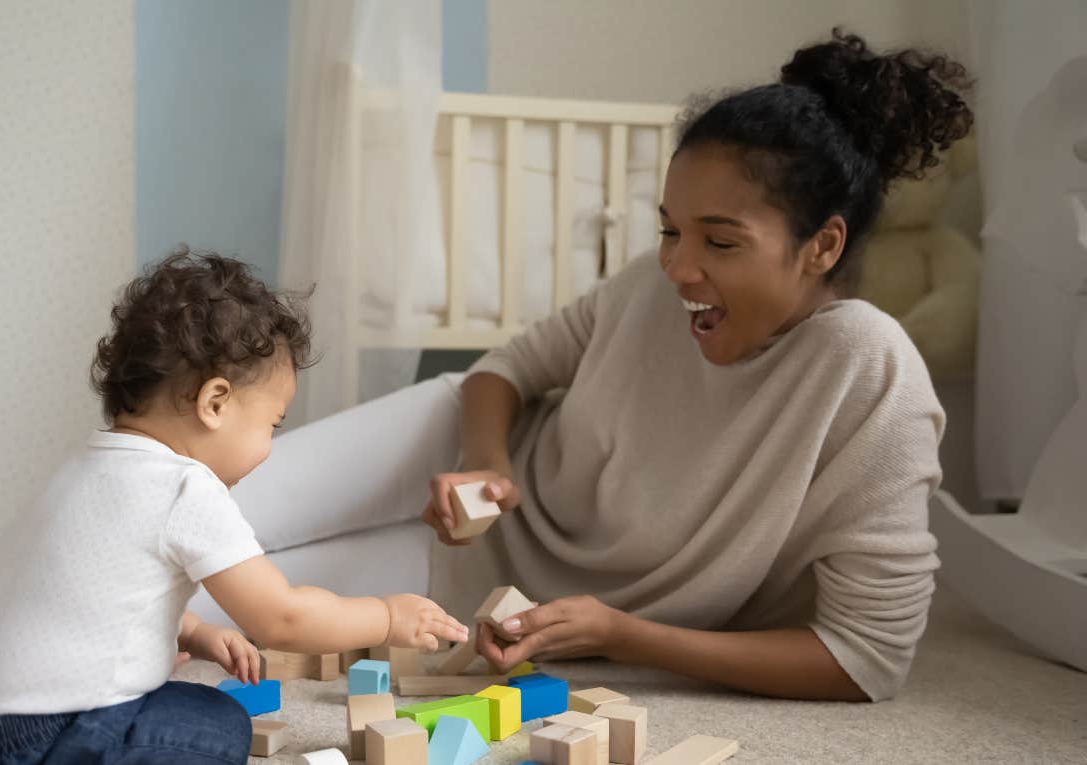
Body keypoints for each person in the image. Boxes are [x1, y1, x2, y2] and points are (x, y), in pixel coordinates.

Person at [234, 29, 973, 704]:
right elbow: (508, 367)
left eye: (719, 242)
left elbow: (865, 656)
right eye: (670, 229)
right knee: (208, 509)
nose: (678, 267)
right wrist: (484, 462)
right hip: (461, 458)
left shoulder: (870, 375)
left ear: (823, 246)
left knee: (209, 602)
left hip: (485, 587)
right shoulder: (658, 286)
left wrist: (624, 635)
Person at [0, 250, 469, 764]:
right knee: (215, 725)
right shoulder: (185, 487)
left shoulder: (88, 463)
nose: (271, 446)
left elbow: (80, 591)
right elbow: (282, 617)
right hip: (24, 740)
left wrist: (189, 630)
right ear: (216, 402)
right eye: (271, 423)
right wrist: (387, 616)